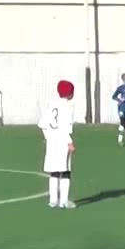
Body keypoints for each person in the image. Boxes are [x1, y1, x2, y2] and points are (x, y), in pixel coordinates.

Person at [38, 79, 77, 209]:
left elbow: (42, 124)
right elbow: (64, 128)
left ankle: (53, 200)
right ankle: (64, 201)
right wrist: (69, 142)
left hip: (52, 141)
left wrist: (47, 137)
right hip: (62, 142)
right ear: (70, 93)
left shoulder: (52, 105)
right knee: (65, 171)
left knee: (54, 171)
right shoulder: (67, 107)